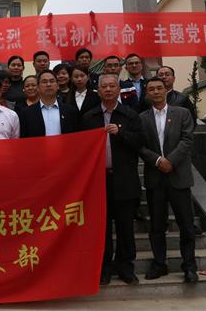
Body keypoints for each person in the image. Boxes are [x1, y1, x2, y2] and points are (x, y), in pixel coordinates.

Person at [82, 73, 143, 285]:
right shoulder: (89, 117)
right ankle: (104, 268)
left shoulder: (130, 115)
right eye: (104, 87)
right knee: (102, 228)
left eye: (112, 86)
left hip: (124, 179)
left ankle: (125, 267)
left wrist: (121, 133)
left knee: (125, 227)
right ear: (98, 91)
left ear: (119, 90)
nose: (108, 89)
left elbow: (139, 142)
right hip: (98, 181)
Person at [139, 77, 198, 283]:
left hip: (178, 176)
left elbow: (187, 139)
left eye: (159, 88)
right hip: (155, 178)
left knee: (186, 225)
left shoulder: (182, 113)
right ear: (147, 93)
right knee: (157, 226)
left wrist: (170, 161)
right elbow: (139, 146)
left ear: (166, 90)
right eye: (151, 89)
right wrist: (158, 160)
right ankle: (159, 264)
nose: (155, 92)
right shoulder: (142, 118)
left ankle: (189, 266)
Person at [19, 70, 79, 137]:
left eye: (52, 81)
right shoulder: (26, 113)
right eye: (44, 82)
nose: (48, 84)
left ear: (57, 86)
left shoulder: (71, 111)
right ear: (38, 87)